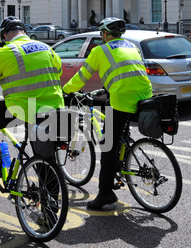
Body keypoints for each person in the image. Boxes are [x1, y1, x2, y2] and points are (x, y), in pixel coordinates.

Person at [62, 17, 153, 210]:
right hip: (145, 96)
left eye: (101, 33)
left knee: (107, 145)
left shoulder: (100, 50)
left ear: (104, 34)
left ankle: (105, 194)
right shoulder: (131, 46)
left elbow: (81, 77)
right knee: (120, 134)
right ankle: (123, 160)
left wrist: (67, 90)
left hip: (122, 99)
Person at [0, 16, 64, 177]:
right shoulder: (46, 48)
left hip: (23, 108)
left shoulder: (6, 51)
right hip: (54, 106)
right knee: (43, 154)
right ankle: (50, 197)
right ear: (24, 31)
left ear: (5, 35)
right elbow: (58, 70)